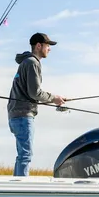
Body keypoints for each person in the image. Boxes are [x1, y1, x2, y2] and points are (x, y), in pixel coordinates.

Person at [7, 32, 66, 176]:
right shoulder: (32, 63)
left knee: (22, 155)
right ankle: (21, 187)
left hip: (16, 115)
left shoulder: (26, 62)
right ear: (38, 46)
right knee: (25, 156)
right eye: (47, 46)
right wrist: (54, 98)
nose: (49, 49)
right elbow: (35, 93)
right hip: (23, 116)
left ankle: (17, 185)